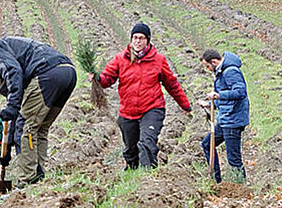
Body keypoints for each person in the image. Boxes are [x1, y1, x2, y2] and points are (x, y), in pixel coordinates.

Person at [0, 37, 76, 185]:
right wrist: (6, 147)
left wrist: (12, 106)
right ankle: (38, 177)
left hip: (47, 73)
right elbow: (20, 106)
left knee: (26, 127)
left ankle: (27, 180)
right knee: (39, 128)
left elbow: (12, 70)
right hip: (67, 72)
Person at [95, 23, 192, 170]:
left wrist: (185, 105)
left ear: (147, 40)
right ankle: (133, 173)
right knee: (131, 149)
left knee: (147, 143)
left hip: (152, 108)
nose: (137, 41)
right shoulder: (121, 59)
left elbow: (172, 84)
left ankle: (148, 176)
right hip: (128, 111)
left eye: (141, 38)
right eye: (135, 38)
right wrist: (97, 79)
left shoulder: (158, 60)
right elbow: (107, 78)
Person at [199, 49, 248, 184]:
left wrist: (219, 95)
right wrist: (209, 104)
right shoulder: (222, 72)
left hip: (233, 120)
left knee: (234, 158)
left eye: (208, 66)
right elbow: (226, 97)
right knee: (207, 144)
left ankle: (240, 186)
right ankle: (216, 181)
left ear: (214, 62)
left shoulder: (230, 71)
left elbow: (240, 92)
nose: (208, 69)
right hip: (225, 119)